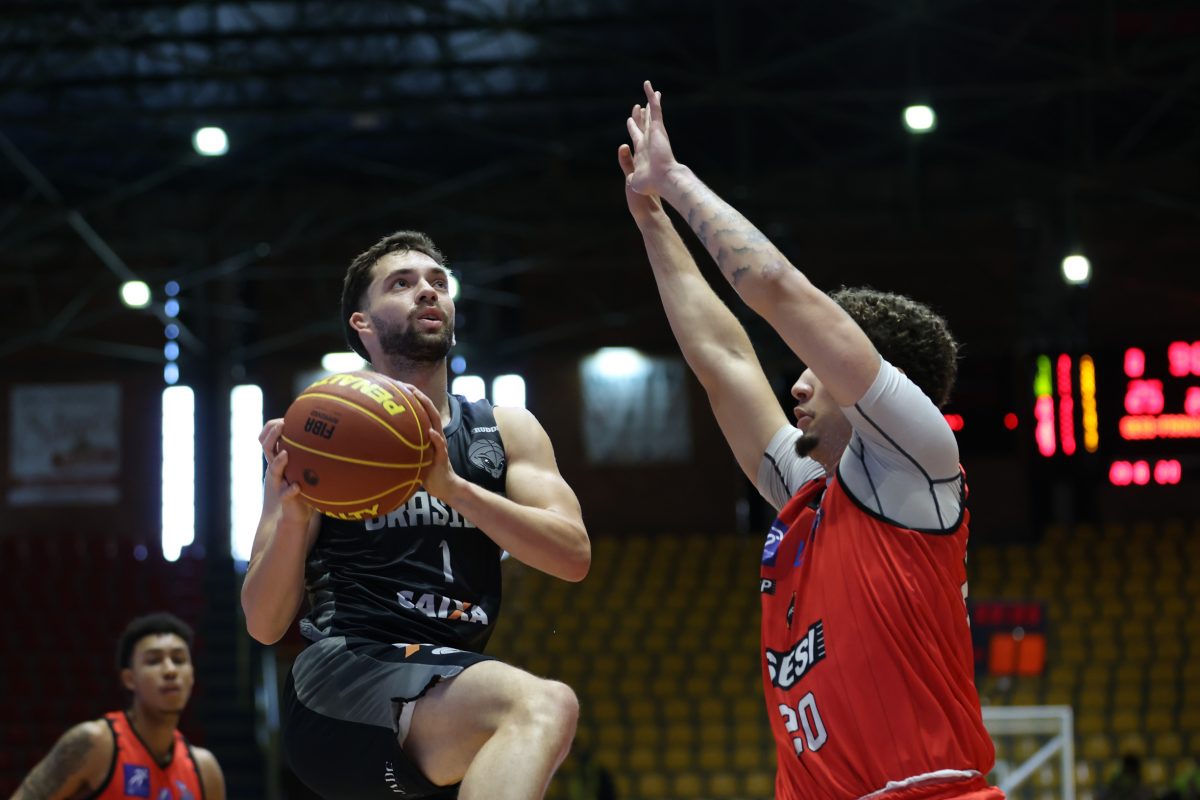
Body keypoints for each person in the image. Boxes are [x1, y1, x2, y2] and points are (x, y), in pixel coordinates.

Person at [620, 80, 1001, 800]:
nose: (795, 388)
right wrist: (652, 222)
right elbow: (723, 361)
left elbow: (774, 286)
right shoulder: (811, 495)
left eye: (813, 371)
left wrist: (675, 180)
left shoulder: (916, 463)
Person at [242, 230, 591, 799]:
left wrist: (453, 488)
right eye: (401, 284)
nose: (427, 291)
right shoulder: (321, 442)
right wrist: (296, 517)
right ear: (362, 323)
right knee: (544, 704)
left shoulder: (505, 429)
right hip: (344, 677)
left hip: (444, 688)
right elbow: (263, 623)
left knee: (521, 730)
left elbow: (572, 557)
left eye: (438, 283)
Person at [10, 612, 225, 800]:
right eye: (153, 661)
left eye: (178, 659)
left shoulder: (204, 769)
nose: (170, 670)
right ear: (129, 679)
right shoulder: (94, 743)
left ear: (192, 675)